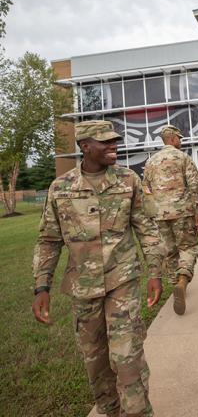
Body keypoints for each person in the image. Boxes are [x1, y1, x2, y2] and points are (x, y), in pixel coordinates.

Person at [32, 120, 163, 417]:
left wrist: (155, 272)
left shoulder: (128, 181)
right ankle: (111, 409)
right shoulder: (60, 188)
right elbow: (48, 240)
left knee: (127, 357)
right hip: (83, 287)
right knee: (96, 360)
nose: (113, 145)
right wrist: (42, 286)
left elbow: (147, 229)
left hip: (122, 280)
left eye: (114, 140)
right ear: (85, 146)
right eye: (104, 142)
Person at [142, 125, 198, 315]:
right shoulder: (183, 158)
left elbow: (146, 189)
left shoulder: (151, 162)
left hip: (160, 214)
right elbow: (195, 185)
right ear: (173, 139)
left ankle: (175, 283)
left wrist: (153, 212)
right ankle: (183, 278)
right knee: (189, 246)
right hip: (182, 211)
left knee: (169, 250)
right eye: (180, 138)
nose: (181, 141)